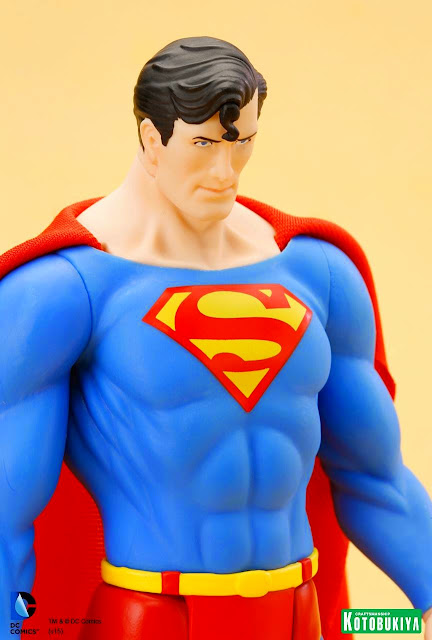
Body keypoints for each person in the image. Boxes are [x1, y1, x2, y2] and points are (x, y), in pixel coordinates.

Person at [1, 36, 431, 640]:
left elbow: (377, 479)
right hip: (153, 616)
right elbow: (6, 516)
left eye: (242, 142)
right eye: (203, 144)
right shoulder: (65, 291)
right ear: (152, 139)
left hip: (298, 614)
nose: (225, 173)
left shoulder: (318, 272)